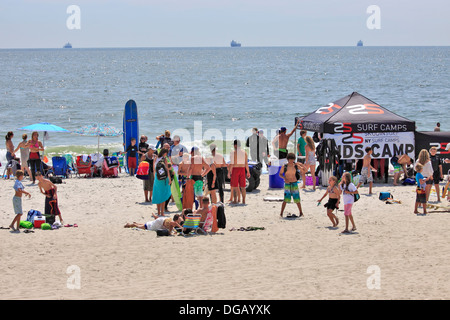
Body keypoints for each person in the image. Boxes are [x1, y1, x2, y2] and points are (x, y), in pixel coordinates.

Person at [279, 153, 304, 218]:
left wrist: (300, 165)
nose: (291, 161)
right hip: (287, 184)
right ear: (288, 159)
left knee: (297, 199)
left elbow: (304, 171)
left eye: (292, 159)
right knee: (286, 199)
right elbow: (280, 174)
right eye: (290, 159)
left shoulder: (295, 166)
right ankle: (281, 213)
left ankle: (301, 213)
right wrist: (285, 178)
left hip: (294, 183)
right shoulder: (285, 166)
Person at [228, 140, 250, 205]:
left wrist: (229, 172)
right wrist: (248, 171)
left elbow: (231, 163)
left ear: (235, 145)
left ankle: (235, 200)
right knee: (243, 186)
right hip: (243, 169)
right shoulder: (244, 152)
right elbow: (246, 163)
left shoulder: (233, 153)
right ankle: (243, 200)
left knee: (235, 186)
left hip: (235, 169)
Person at [153, 148, 172, 216]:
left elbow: (154, 169)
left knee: (158, 195)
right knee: (163, 195)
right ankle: (162, 212)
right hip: (164, 179)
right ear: (165, 153)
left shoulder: (155, 158)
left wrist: (155, 178)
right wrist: (169, 179)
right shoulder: (165, 159)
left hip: (157, 179)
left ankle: (158, 212)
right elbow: (167, 170)